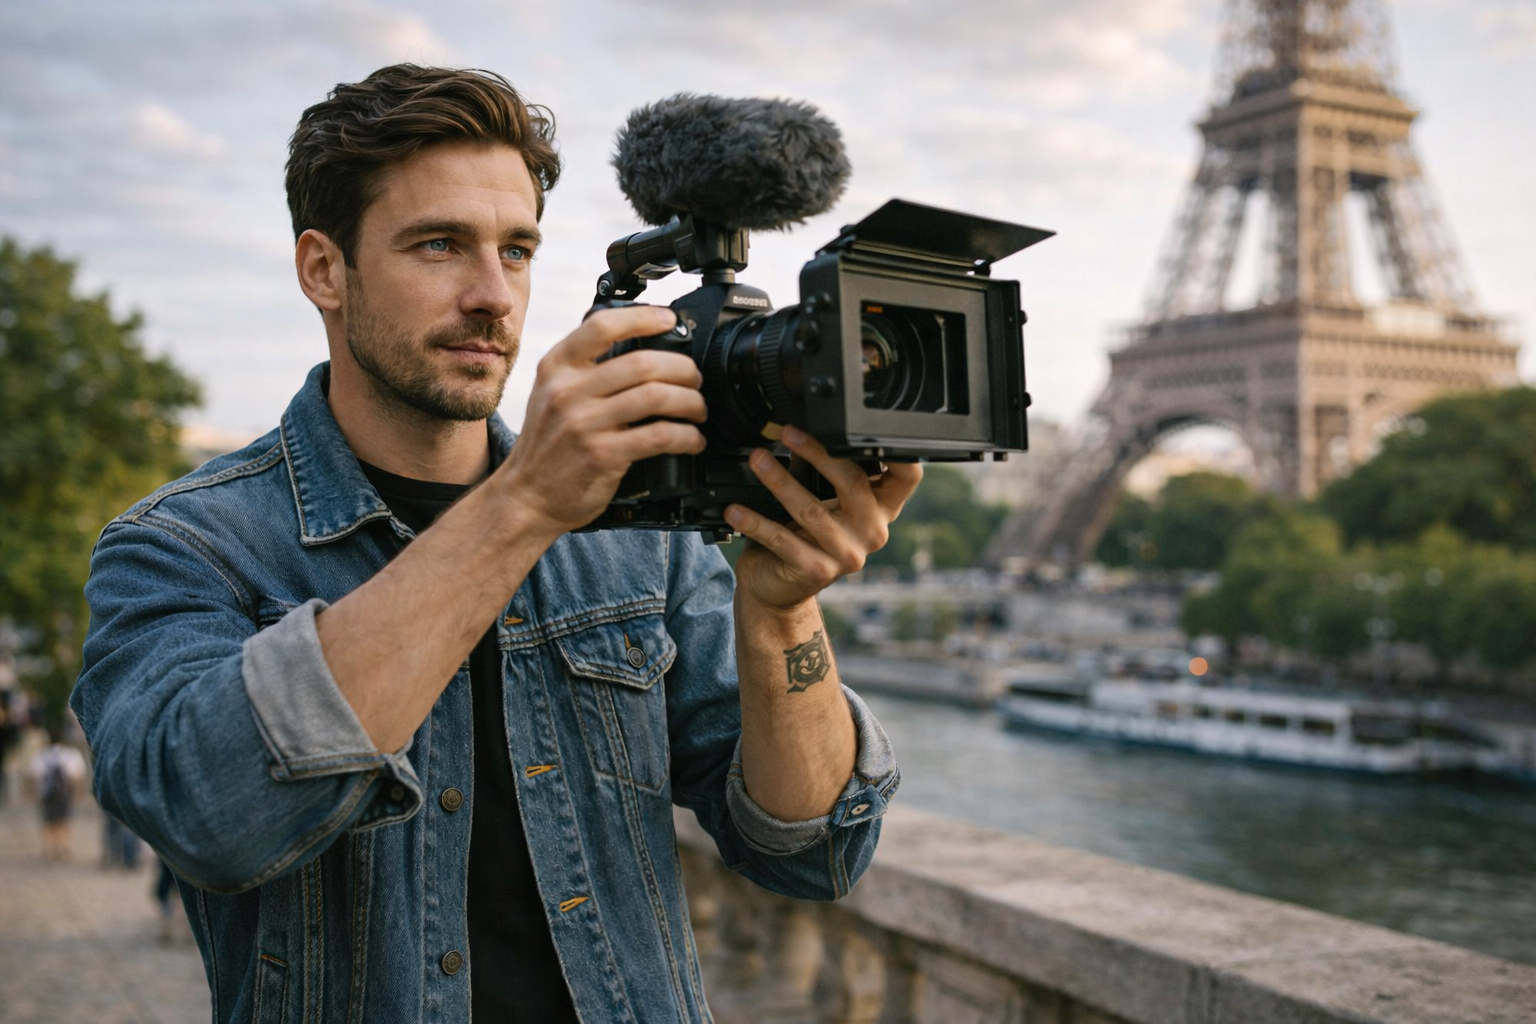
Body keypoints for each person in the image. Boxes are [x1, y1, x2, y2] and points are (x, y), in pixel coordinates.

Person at [72, 64, 915, 1024]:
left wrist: (780, 607)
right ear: (323, 270)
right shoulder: (183, 544)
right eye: (439, 245)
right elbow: (208, 814)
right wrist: (523, 507)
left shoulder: (640, 537)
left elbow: (812, 850)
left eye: (517, 251)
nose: (492, 295)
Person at [29, 726, 86, 861]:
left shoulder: (42, 754)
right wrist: (78, 791)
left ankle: (49, 847)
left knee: (48, 820)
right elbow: (77, 775)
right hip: (64, 794)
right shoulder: (71, 754)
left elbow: (35, 775)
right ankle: (63, 845)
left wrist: (32, 792)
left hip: (47, 793)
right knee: (64, 819)